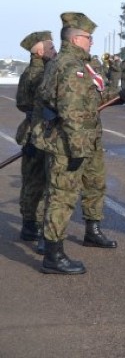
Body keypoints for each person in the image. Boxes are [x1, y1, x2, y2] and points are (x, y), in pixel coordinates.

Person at [39, 12, 125, 274]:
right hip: (70, 143)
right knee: (63, 196)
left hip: (84, 139)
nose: (92, 42)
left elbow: (89, 100)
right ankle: (53, 256)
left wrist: (117, 97)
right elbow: (72, 111)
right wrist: (78, 149)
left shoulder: (76, 64)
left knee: (85, 188)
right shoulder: (70, 67)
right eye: (89, 37)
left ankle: (85, 235)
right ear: (77, 38)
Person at [15, 31, 56, 245]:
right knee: (38, 182)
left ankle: (29, 225)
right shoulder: (40, 73)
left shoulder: (30, 72)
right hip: (39, 132)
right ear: (39, 52)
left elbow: (21, 103)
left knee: (31, 181)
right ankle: (36, 226)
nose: (55, 51)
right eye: (50, 48)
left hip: (32, 131)